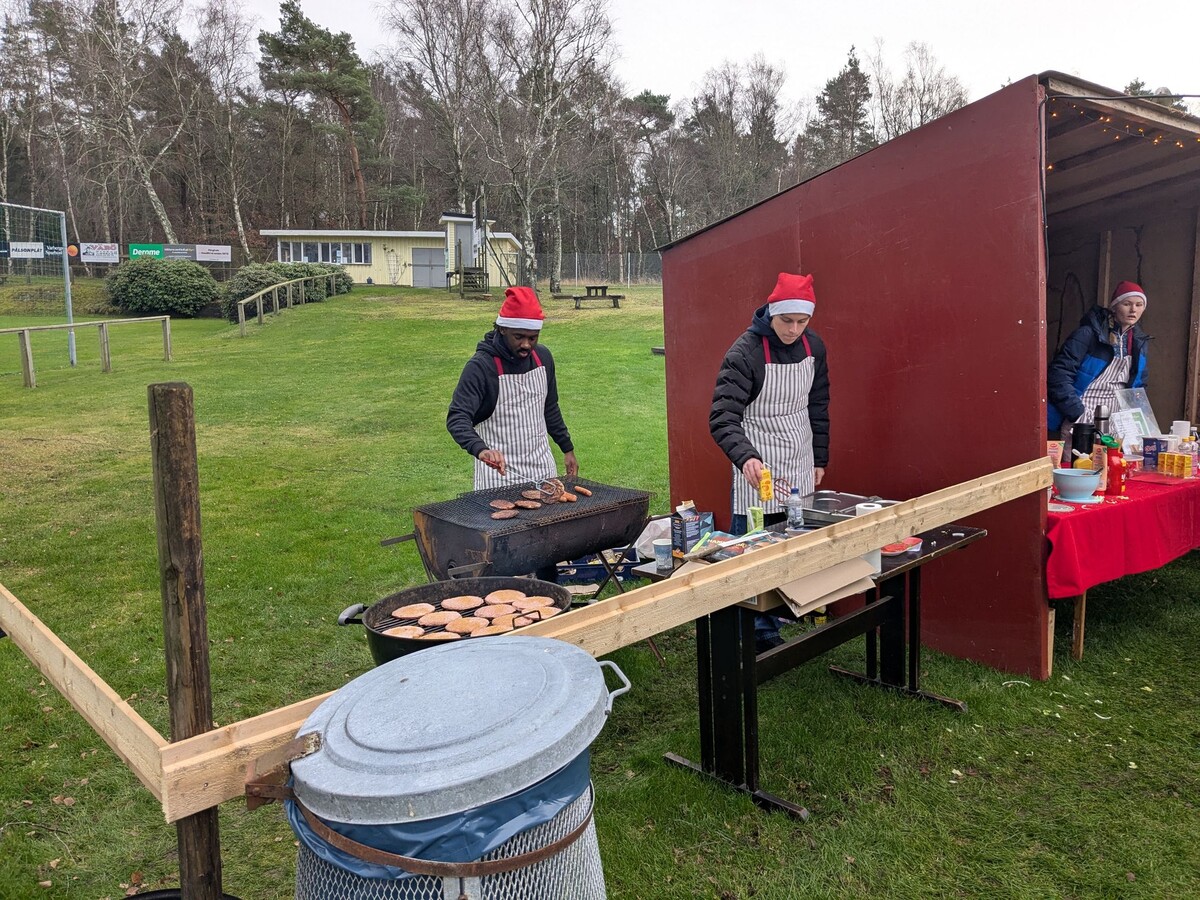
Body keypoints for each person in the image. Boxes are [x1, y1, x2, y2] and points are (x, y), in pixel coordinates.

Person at [710, 272, 830, 652]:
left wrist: (820, 457)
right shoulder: (744, 353)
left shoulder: (814, 347)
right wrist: (745, 457)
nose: (793, 330)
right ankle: (751, 630)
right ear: (771, 314)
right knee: (754, 546)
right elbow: (722, 418)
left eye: (802, 321)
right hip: (759, 462)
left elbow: (818, 405)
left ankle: (780, 613)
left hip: (799, 457)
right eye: (786, 321)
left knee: (791, 540)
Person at [1048, 280, 1150, 443]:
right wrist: (1076, 411)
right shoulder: (1088, 334)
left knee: (1114, 459)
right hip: (1082, 416)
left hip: (1117, 420)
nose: (1133, 310)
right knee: (1080, 459)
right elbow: (1059, 374)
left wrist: (1137, 421)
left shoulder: (1139, 343)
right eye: (1127, 304)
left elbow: (1138, 386)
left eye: (1139, 305)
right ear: (1114, 307)